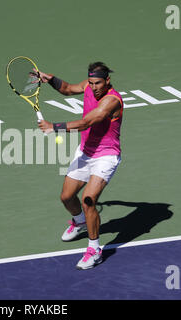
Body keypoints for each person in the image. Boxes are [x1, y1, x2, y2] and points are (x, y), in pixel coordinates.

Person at [37, 61, 124, 270]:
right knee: (67, 197)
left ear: (108, 81)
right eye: (91, 83)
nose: (94, 87)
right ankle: (80, 222)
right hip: (85, 152)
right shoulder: (88, 85)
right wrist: (51, 80)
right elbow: (67, 89)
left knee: (88, 200)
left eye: (98, 84)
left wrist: (54, 127)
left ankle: (94, 250)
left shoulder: (112, 100)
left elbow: (86, 123)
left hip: (106, 157)